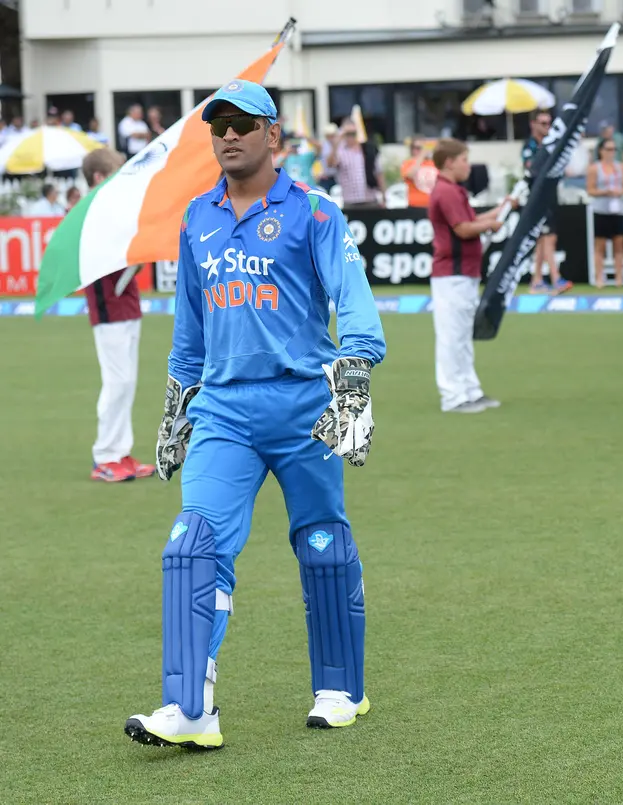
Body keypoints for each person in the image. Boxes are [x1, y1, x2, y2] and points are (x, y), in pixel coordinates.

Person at [124, 80, 386, 749]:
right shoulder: (197, 217)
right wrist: (176, 407)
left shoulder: (316, 213)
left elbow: (354, 301)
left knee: (323, 544)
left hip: (305, 407)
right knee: (192, 545)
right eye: (220, 126)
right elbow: (189, 327)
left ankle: (340, 689)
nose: (230, 135)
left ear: (274, 135)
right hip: (223, 412)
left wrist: (355, 380)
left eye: (243, 124)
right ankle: (190, 706)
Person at [78, 148, 155, 483]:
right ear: (98, 177)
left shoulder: (109, 208)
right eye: (114, 171)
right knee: (117, 382)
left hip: (125, 301)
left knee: (126, 382)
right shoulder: (91, 211)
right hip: (109, 304)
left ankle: (120, 452)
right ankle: (106, 456)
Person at [427, 138, 511, 413]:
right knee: (452, 337)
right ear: (450, 162)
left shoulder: (452, 190)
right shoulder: (447, 191)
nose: (468, 165)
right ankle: (453, 396)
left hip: (462, 273)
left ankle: (469, 391)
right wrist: (491, 224)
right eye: (464, 160)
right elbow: (463, 229)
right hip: (453, 274)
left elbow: (471, 221)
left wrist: (499, 211)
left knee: (461, 336)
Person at [522, 110, 571, 294]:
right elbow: (533, 168)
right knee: (547, 238)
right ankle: (555, 277)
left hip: (549, 195)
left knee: (544, 239)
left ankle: (537, 280)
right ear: (533, 124)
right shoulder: (530, 146)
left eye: (549, 124)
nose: (547, 128)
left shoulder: (551, 145)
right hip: (537, 197)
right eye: (543, 123)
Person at [587, 137, 623, 288]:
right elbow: (590, 189)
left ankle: (619, 277)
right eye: (608, 149)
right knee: (600, 245)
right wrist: (605, 192)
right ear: (601, 151)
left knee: (619, 244)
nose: (612, 152)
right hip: (601, 209)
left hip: (617, 209)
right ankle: (599, 277)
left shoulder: (621, 167)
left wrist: (619, 192)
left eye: (614, 149)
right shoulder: (594, 168)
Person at [326, 120, 383, 209]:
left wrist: (383, 195)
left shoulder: (367, 149)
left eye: (353, 133)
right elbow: (330, 164)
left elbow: (378, 173)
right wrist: (335, 144)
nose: (351, 137)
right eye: (348, 134)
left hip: (369, 198)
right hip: (350, 201)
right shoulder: (341, 152)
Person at [400, 137, 436, 208]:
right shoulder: (408, 163)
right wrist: (421, 156)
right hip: (415, 205)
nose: (420, 150)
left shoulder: (433, 163)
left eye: (422, 148)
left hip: (432, 205)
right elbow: (410, 175)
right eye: (417, 148)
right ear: (412, 149)